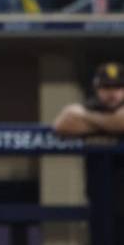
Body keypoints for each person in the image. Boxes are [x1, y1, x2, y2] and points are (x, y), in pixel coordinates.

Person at [53, 62, 124, 245]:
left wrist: (87, 120)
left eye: (118, 87)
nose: (112, 93)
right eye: (106, 87)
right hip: (100, 202)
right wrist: (108, 123)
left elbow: (121, 123)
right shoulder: (91, 106)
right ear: (97, 88)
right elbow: (61, 126)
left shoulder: (86, 113)